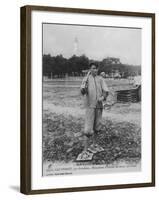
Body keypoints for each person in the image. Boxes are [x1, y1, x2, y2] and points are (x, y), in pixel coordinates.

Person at [80, 63, 109, 151]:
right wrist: (83, 89)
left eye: (96, 68)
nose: (95, 70)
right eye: (93, 68)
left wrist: (103, 97)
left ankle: (94, 145)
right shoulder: (86, 79)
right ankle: (85, 150)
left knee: (97, 127)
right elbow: (82, 92)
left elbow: (106, 91)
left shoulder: (100, 79)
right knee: (88, 128)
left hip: (99, 106)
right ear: (90, 69)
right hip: (90, 106)